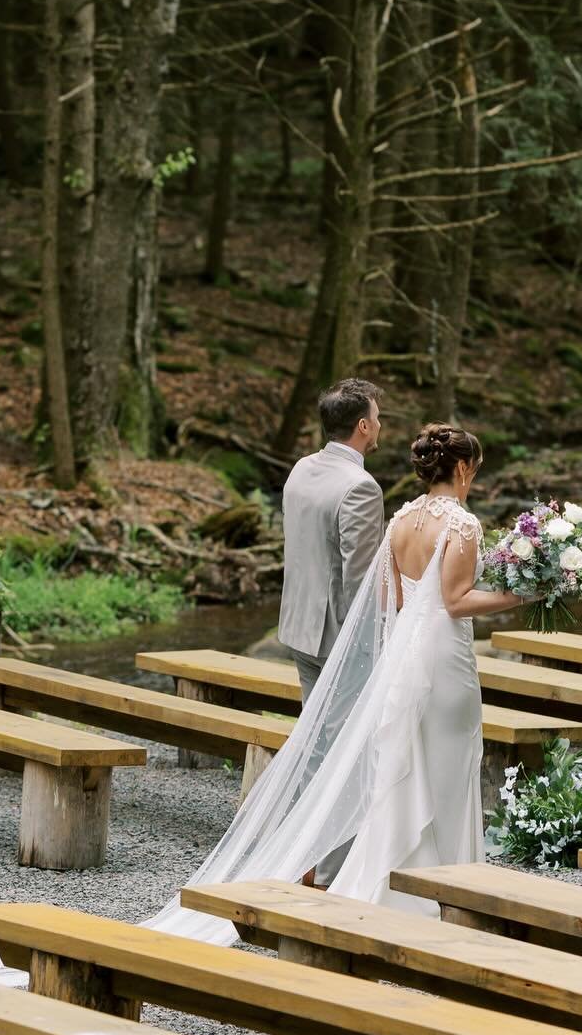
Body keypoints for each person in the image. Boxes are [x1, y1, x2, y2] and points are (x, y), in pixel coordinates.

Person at [148, 422, 516, 942]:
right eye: (474, 470)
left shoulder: (400, 520)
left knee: (404, 765)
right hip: (445, 656)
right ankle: (452, 885)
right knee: (451, 763)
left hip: (407, 656)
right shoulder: (463, 525)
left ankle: (396, 881)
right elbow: (456, 601)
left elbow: (390, 601)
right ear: (461, 468)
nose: (473, 479)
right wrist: (520, 596)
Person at [277, 378, 384, 703]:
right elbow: (360, 578)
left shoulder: (301, 468)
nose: (380, 425)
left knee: (315, 735)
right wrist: (374, 644)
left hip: (298, 626)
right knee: (344, 742)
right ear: (363, 426)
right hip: (339, 639)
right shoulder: (361, 487)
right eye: (377, 418)